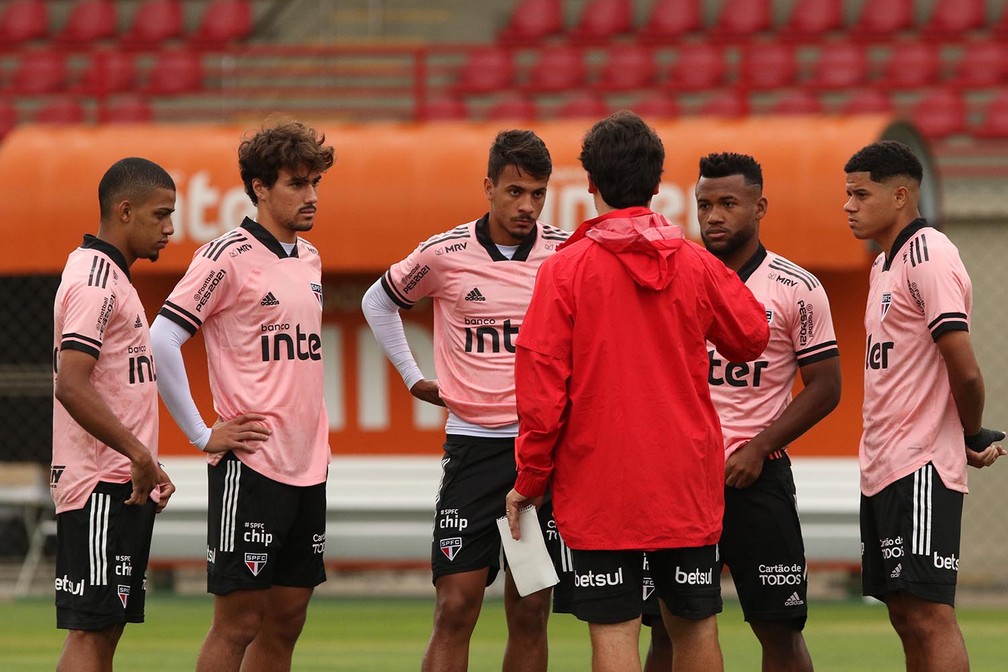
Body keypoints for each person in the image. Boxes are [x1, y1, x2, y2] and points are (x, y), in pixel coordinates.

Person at [505, 111, 770, 672]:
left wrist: (529, 480)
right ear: (656, 186)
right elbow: (751, 337)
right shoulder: (696, 264)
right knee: (696, 627)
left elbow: (540, 393)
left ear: (591, 185)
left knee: (615, 632)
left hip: (600, 484)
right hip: (685, 481)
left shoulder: (564, 271)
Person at [361, 129, 568, 672]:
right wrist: (411, 376)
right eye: (515, 191)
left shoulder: (566, 256)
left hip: (538, 453)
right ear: (489, 186)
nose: (527, 206)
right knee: (456, 606)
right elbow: (377, 302)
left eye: (538, 194)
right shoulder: (445, 253)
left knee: (530, 609)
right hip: (473, 449)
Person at [643, 152, 842, 672]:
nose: (713, 216)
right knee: (668, 630)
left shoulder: (797, 287)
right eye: (704, 204)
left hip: (758, 479)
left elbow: (825, 388)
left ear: (760, 206)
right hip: (681, 480)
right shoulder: (671, 277)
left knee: (778, 631)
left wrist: (758, 447)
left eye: (728, 203)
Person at [149, 119, 335, 672]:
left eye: (315, 184)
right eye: (296, 184)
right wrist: (202, 433)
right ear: (259, 187)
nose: (310, 196)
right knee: (238, 624)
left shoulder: (309, 258)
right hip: (251, 470)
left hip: (308, 466)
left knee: (287, 621)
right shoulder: (225, 256)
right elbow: (162, 337)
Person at [843, 140, 1004, 672]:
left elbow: (966, 368)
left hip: (920, 466)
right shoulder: (881, 267)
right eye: (847, 194)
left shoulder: (929, 254)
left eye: (861, 194)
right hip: (883, 465)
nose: (849, 205)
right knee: (905, 612)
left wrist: (972, 432)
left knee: (931, 614)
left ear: (901, 195)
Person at [52, 157, 177, 672]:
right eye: (161, 214)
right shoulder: (95, 280)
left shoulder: (113, 278)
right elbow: (71, 385)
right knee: (93, 631)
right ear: (125, 211)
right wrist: (137, 453)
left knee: (105, 631)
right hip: (99, 481)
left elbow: (118, 387)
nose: (170, 229)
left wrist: (146, 461)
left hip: (121, 478)